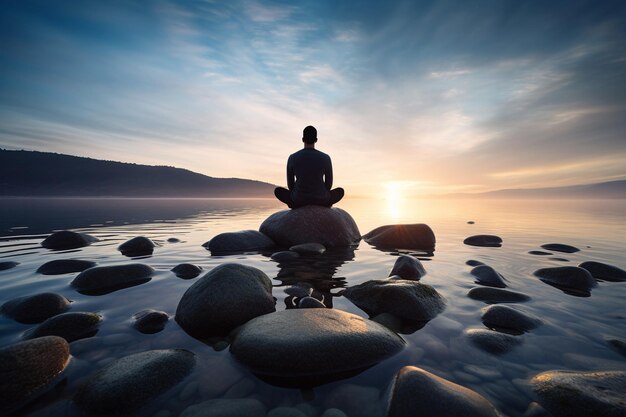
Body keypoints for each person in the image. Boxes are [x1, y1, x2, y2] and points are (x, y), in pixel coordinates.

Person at [274, 126, 344, 209]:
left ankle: (294, 204)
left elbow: (290, 186)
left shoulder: (292, 157)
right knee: (340, 191)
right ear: (316, 140)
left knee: (278, 191)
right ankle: (325, 203)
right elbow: (329, 185)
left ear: (303, 139)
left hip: (298, 199)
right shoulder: (325, 157)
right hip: (321, 199)